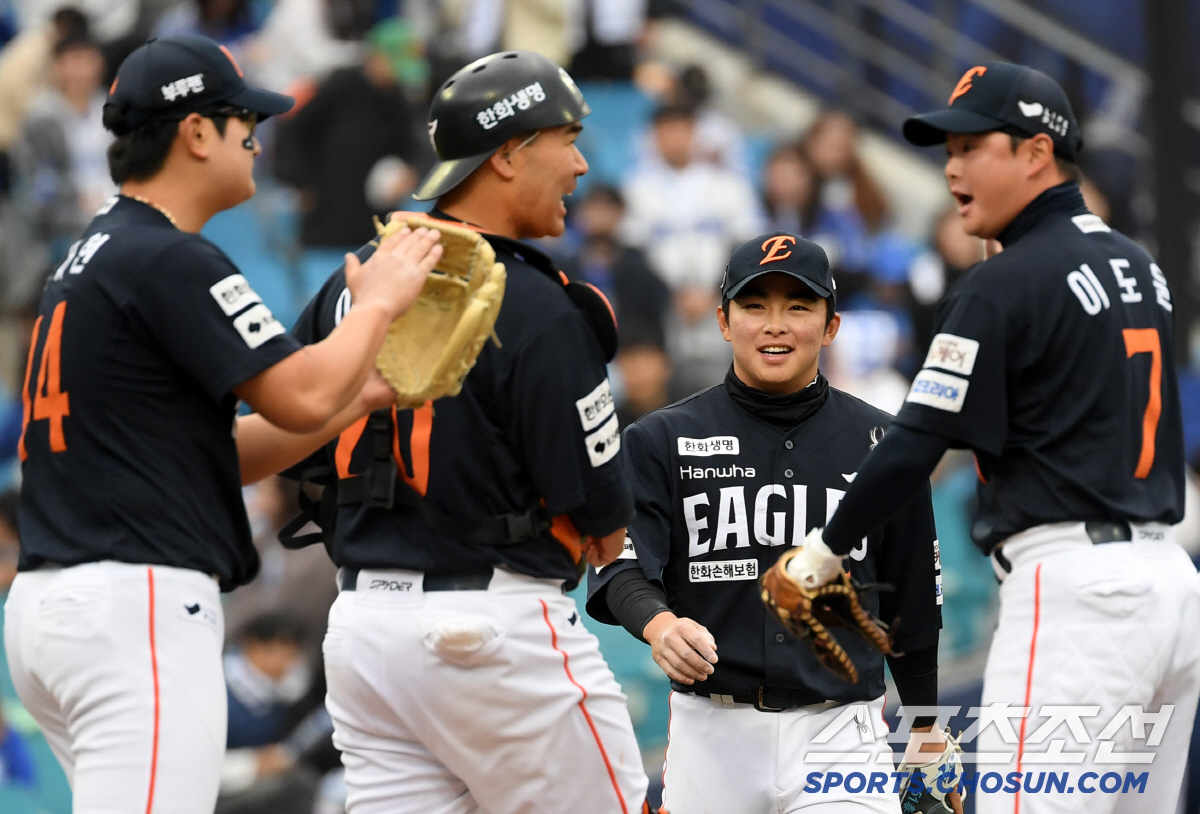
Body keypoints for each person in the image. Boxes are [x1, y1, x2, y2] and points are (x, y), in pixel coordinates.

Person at [4, 34, 441, 814]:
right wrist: (377, 302)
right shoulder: (167, 256)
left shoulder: (97, 253)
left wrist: (363, 396)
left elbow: (220, 452)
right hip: (133, 602)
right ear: (196, 131)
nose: (257, 140)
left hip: (65, 604)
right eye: (245, 121)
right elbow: (301, 395)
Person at [795, 62, 1199, 813]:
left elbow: (914, 445)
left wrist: (821, 554)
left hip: (1077, 593)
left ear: (1037, 152)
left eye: (972, 147)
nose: (952, 168)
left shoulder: (1001, 284)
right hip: (1169, 585)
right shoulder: (1139, 264)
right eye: (948, 151)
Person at [281, 50, 648, 813]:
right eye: (568, 138)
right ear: (508, 154)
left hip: (363, 630)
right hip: (492, 630)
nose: (581, 164)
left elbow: (298, 450)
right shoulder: (537, 299)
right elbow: (603, 516)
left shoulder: (351, 279)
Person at [586, 231, 955, 813]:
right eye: (754, 306)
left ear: (831, 326)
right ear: (723, 321)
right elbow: (619, 565)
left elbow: (913, 606)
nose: (774, 325)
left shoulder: (885, 445)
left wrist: (927, 729)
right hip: (712, 731)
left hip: (841, 732)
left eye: (799, 307)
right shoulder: (660, 439)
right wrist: (659, 626)